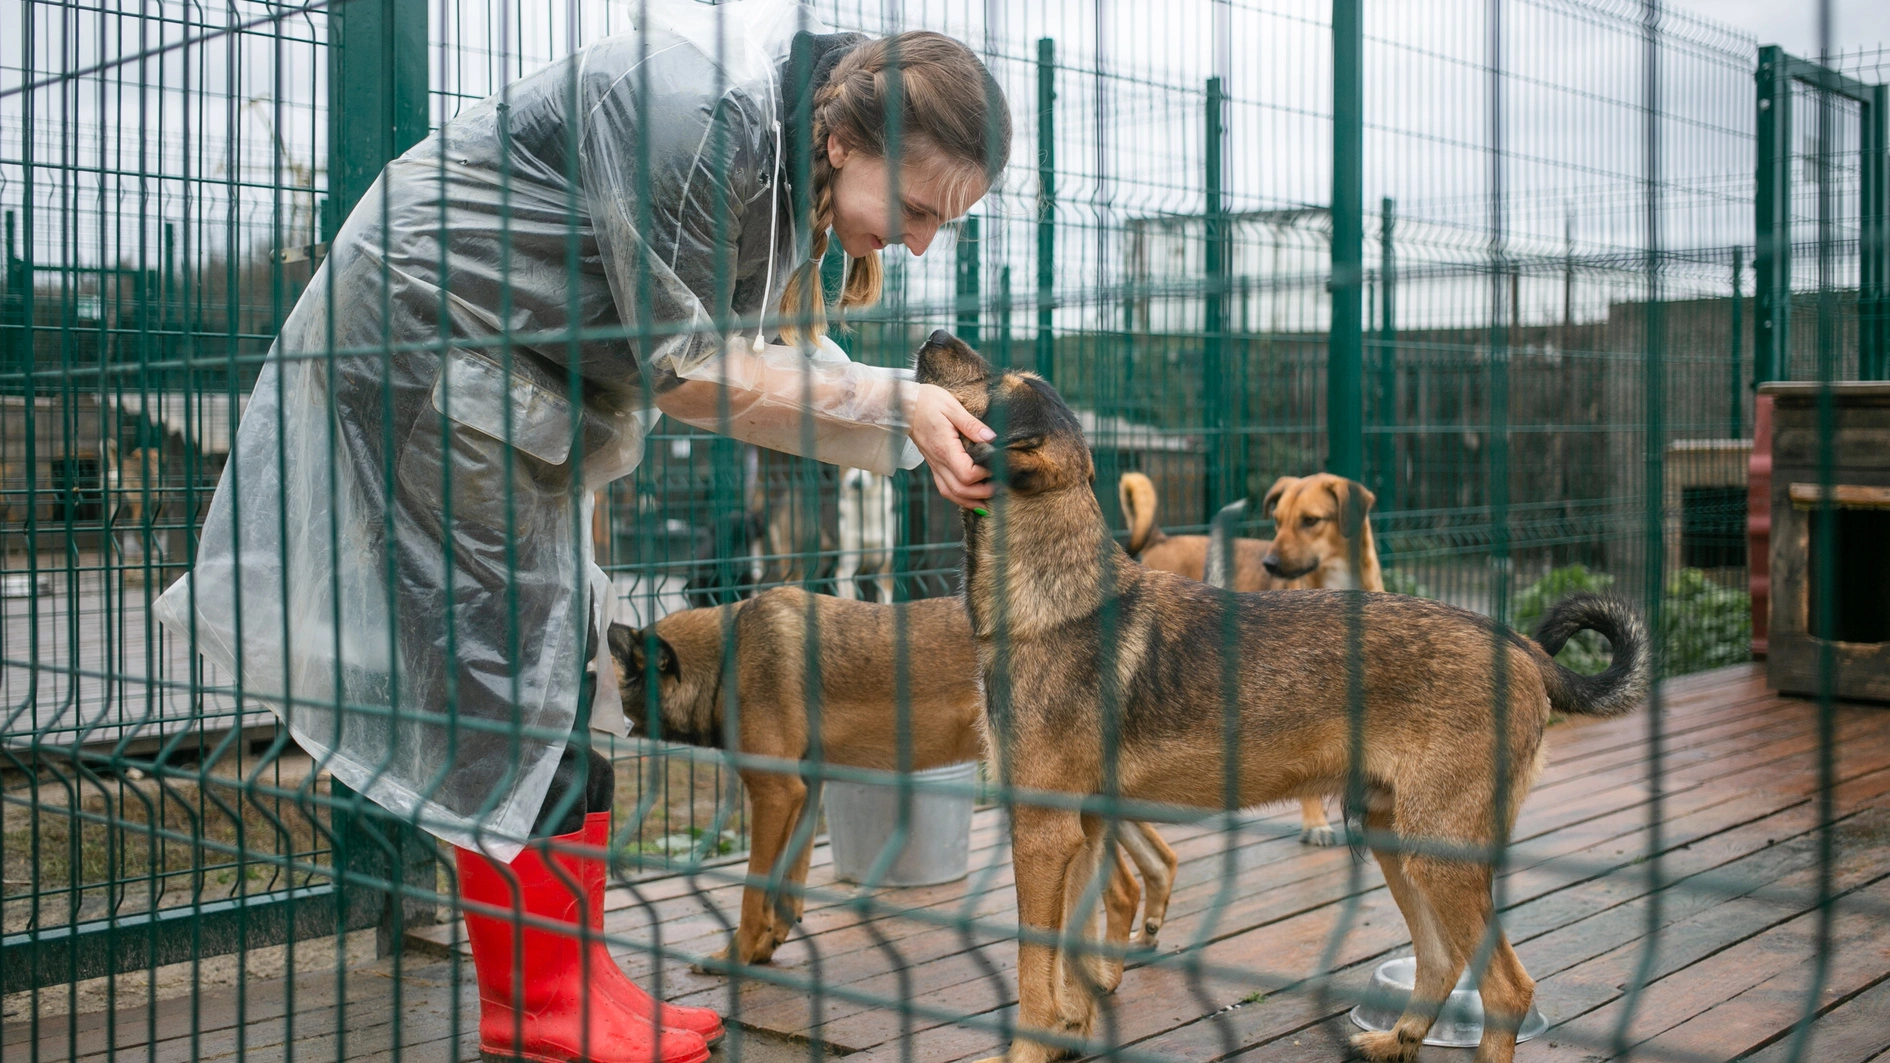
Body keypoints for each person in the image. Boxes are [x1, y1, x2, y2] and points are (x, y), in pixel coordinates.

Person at [154, 2, 1009, 1061]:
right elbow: (687, 371)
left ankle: (579, 980)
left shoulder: (781, 151)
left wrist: (902, 416)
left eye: (941, 224)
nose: (920, 242)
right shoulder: (708, 126)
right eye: (919, 208)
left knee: (554, 673)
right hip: (432, 346)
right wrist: (892, 403)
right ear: (845, 139)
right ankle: (541, 1004)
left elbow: (730, 357)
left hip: (511, 375)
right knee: (501, 679)